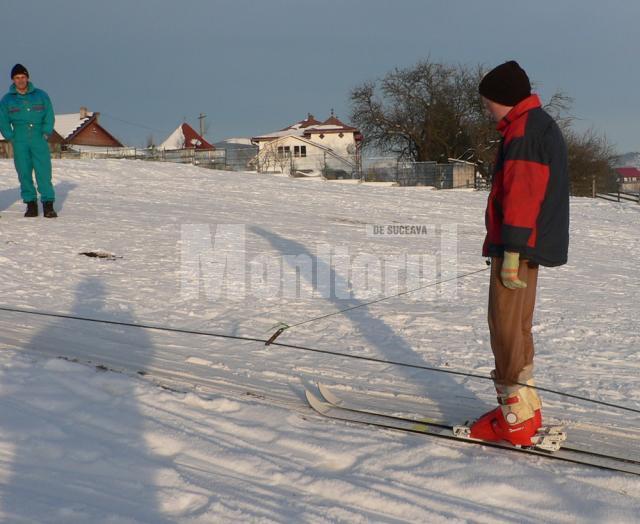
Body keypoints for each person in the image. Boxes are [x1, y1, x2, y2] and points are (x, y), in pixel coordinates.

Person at [470, 61, 569, 446]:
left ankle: (513, 417)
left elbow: (522, 194)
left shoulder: (524, 131)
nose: (486, 110)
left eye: (488, 103)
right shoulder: (537, 124)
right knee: (519, 325)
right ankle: (525, 408)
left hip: (518, 245)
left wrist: (510, 249)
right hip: (528, 243)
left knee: (505, 326)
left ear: (504, 99)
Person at [0, 64, 57, 218]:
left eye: (23, 77)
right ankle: (30, 204)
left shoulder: (41, 96)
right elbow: (3, 121)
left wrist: (46, 132)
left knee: (43, 171)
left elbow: (49, 115)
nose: (20, 80)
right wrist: (10, 136)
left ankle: (48, 204)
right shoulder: (7, 100)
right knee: (24, 172)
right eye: (17, 78)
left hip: (38, 137)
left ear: (28, 78)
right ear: (13, 80)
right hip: (19, 138)